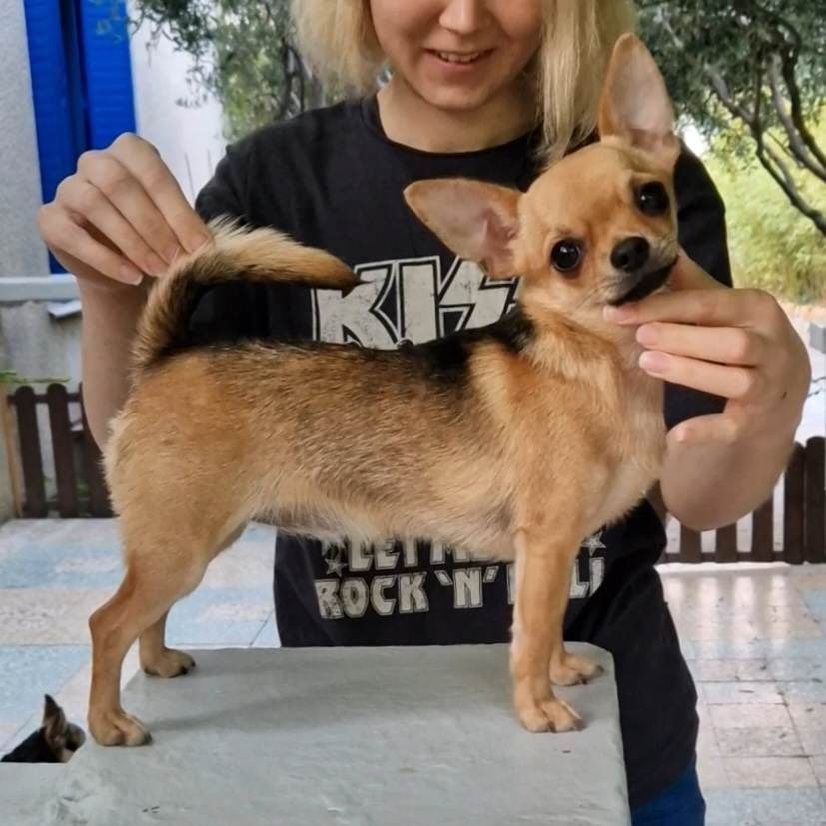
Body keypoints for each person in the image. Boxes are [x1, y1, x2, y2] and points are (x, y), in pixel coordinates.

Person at [38, 1, 811, 822]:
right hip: (344, 734)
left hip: (626, 746)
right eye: (567, 252)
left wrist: (772, 400)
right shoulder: (270, 178)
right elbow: (146, 423)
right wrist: (108, 290)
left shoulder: (639, 171)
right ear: (497, 243)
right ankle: (123, 662)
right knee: (177, 560)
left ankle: (542, 660)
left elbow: (700, 492)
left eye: (647, 202)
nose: (463, 16)